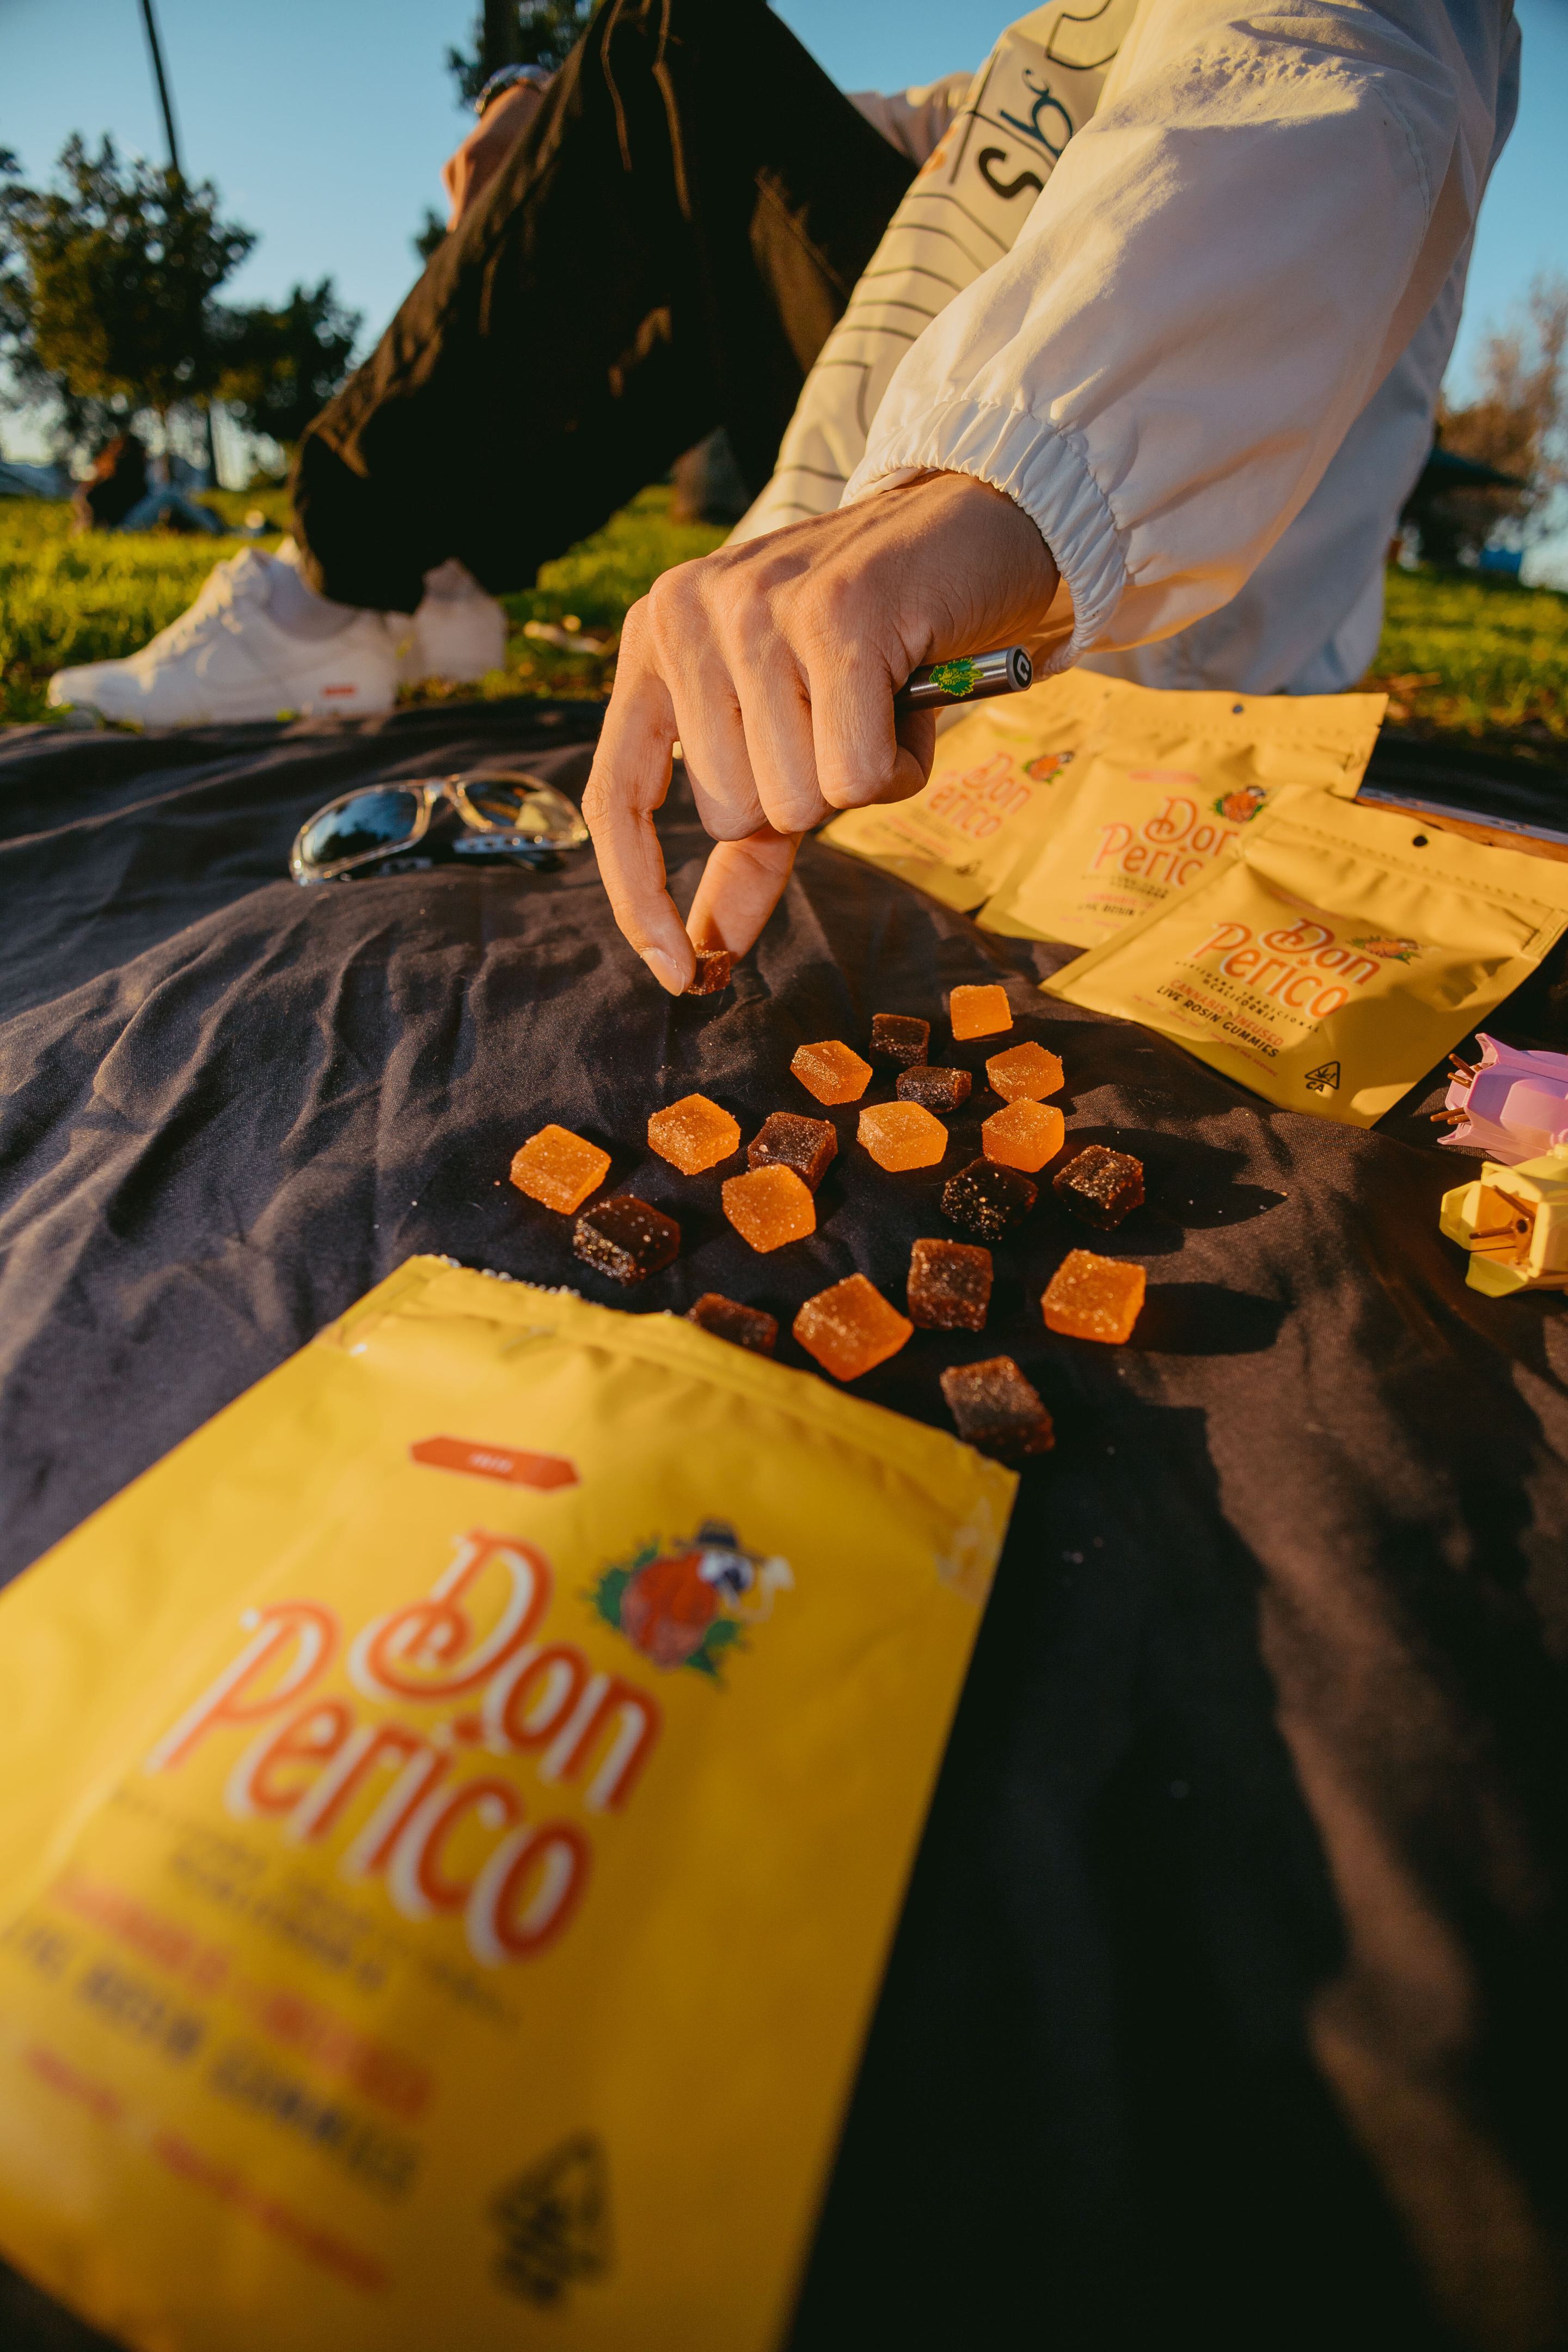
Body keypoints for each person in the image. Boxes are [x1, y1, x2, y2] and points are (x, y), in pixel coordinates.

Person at [48, 0, 1518, 990]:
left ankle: (356, 576)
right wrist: (546, 113)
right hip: (1020, 485)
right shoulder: (1069, 43)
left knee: (669, 47)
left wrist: (1013, 479)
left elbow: (1327, 72)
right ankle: (416, 589)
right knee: (660, 72)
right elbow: (935, 152)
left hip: (1153, 600)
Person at [72, 433, 226, 538]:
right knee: (169, 492)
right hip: (120, 529)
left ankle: (212, 525)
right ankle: (217, 529)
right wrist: (92, 521)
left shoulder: (111, 472)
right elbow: (88, 498)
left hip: (115, 528)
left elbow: (81, 497)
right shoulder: (128, 471)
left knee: (167, 495)